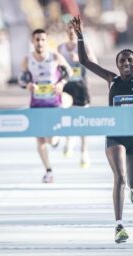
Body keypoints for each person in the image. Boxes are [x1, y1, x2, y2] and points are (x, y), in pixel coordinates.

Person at [70, 2, 133, 243]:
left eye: (129, 61)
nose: (125, 64)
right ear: (117, 64)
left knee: (132, 181)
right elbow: (85, 61)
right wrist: (80, 36)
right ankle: (119, 226)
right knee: (119, 178)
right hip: (115, 136)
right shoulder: (111, 79)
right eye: (122, 61)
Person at [19, 28, 73, 183]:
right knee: (40, 140)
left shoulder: (55, 56)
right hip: (36, 105)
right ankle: (48, 171)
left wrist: (61, 83)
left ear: (46, 41)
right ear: (32, 41)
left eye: (43, 39)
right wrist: (28, 85)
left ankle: (57, 141)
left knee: (51, 140)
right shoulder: (27, 59)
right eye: (37, 39)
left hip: (54, 104)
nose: (40, 42)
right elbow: (21, 80)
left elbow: (69, 72)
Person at [57, 23, 97, 168]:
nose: (71, 33)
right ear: (66, 32)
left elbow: (95, 63)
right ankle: (69, 140)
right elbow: (55, 66)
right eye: (69, 30)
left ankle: (84, 152)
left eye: (74, 31)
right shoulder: (61, 48)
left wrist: (80, 59)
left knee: (83, 120)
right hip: (66, 86)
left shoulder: (84, 46)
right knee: (66, 116)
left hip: (81, 87)